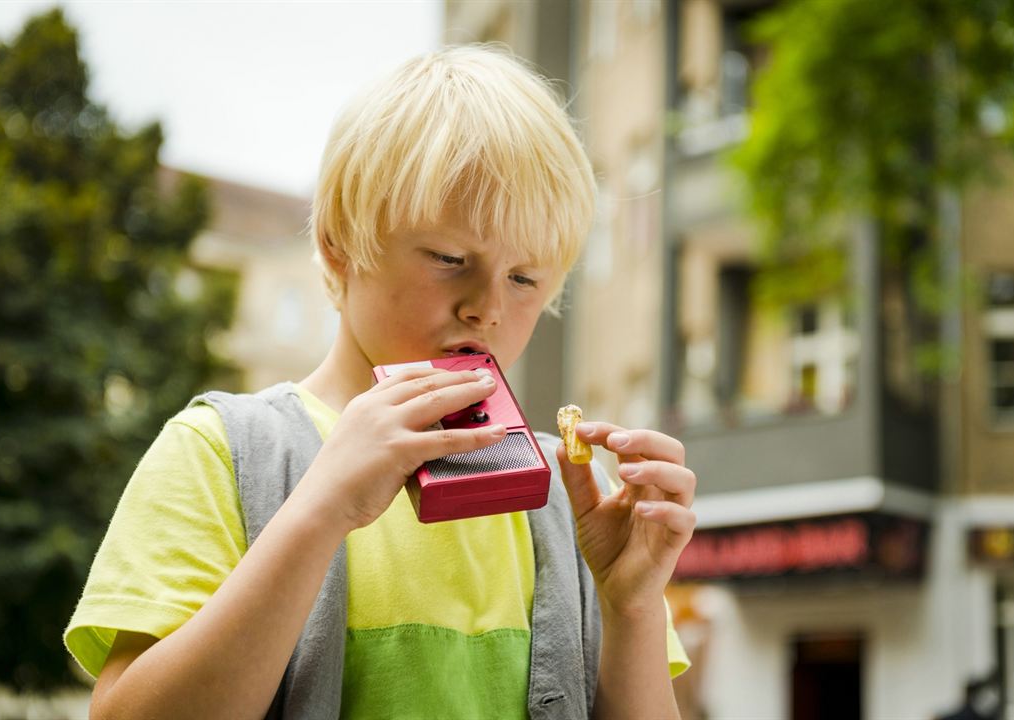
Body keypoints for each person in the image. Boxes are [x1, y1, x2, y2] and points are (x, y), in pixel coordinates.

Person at [65, 45, 696, 719]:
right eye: (450, 259)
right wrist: (319, 512)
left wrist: (628, 609)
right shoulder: (223, 451)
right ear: (340, 244)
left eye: (524, 278)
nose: (486, 305)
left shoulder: (569, 497)